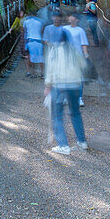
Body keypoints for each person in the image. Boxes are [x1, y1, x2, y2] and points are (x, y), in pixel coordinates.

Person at [44, 22, 88, 156]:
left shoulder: (54, 50)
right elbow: (83, 65)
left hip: (60, 85)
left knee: (57, 116)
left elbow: (50, 69)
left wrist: (47, 85)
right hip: (75, 85)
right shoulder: (74, 49)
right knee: (75, 113)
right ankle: (82, 142)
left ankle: (63, 145)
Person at [21, 9, 44, 77]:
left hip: (30, 41)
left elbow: (24, 31)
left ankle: (32, 72)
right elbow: (41, 31)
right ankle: (42, 73)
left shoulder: (26, 22)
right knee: (40, 57)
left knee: (29, 57)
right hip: (39, 41)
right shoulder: (40, 22)